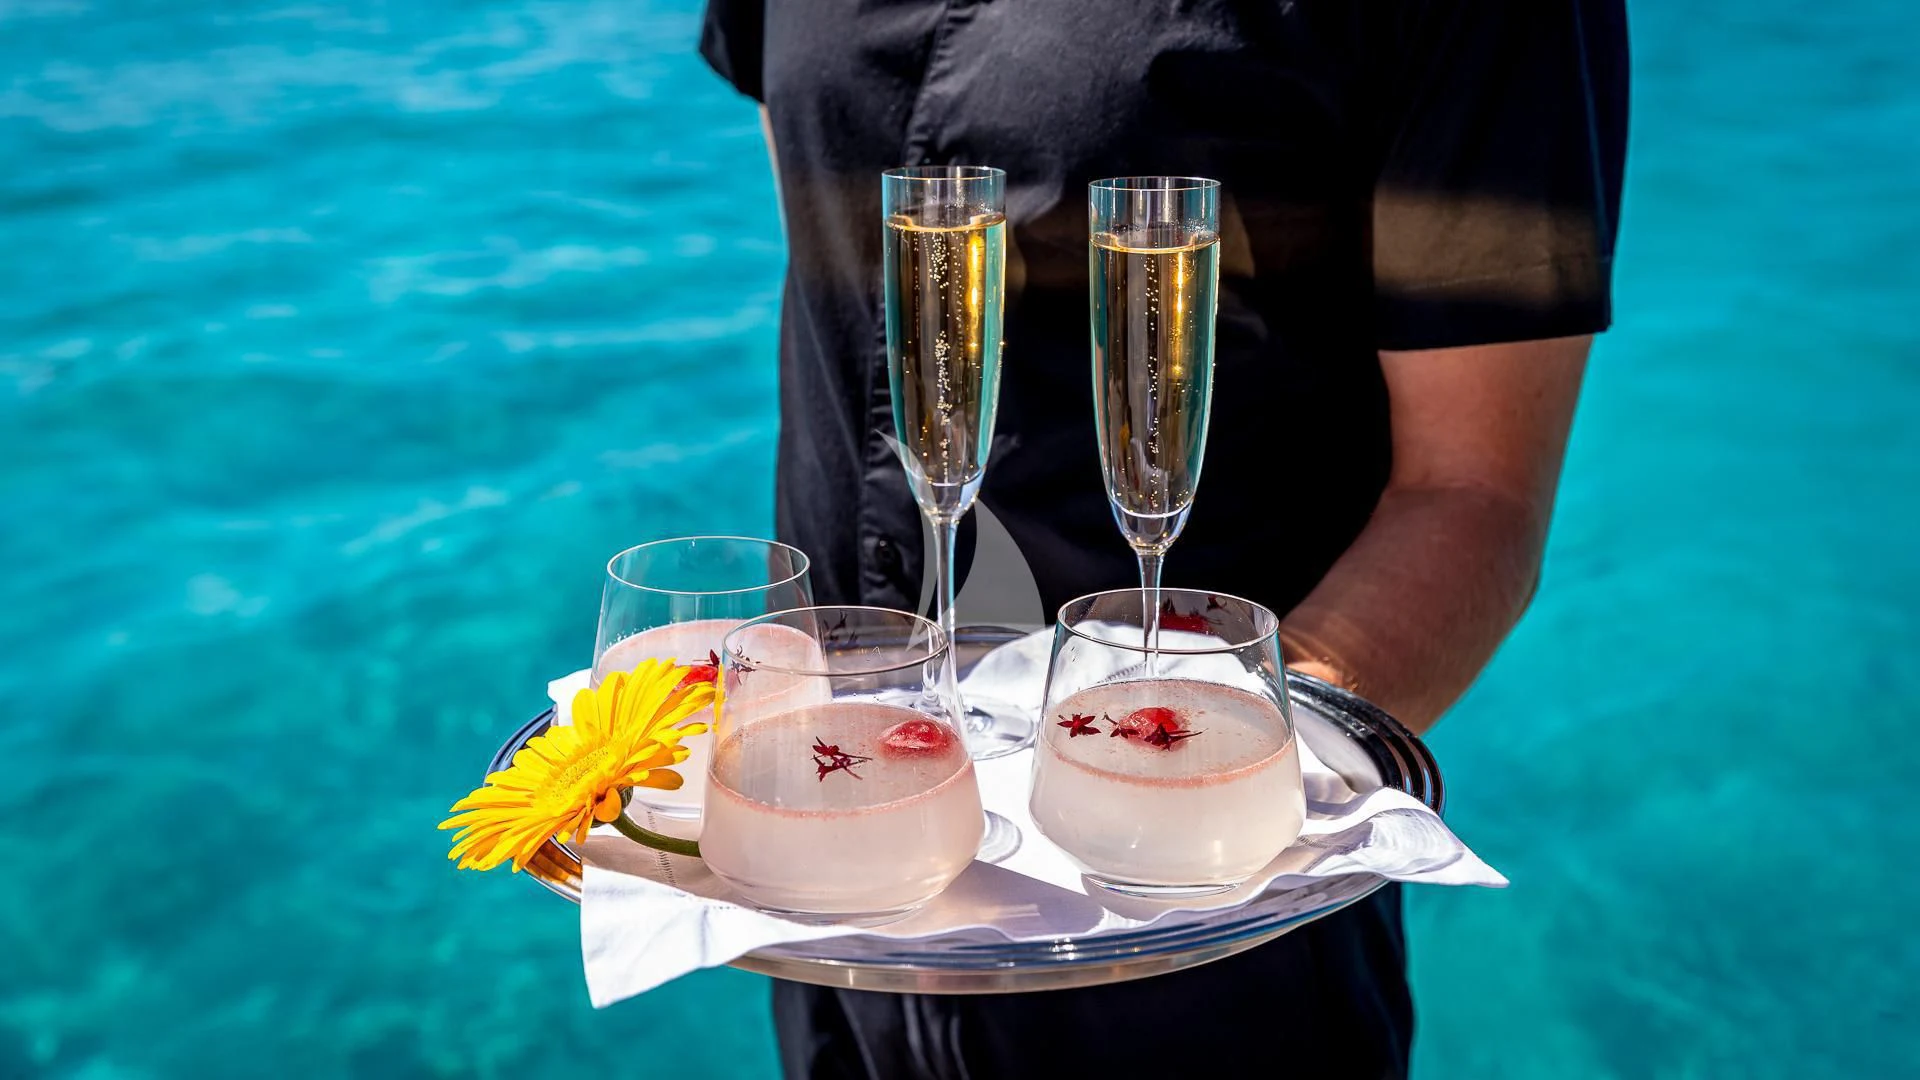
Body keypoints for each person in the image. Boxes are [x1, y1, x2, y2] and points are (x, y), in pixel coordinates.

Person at [696, 0, 1628, 1075]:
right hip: (837, 881)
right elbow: (835, 257)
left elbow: (1473, 495)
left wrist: (1212, 779)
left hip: (1199, 938)